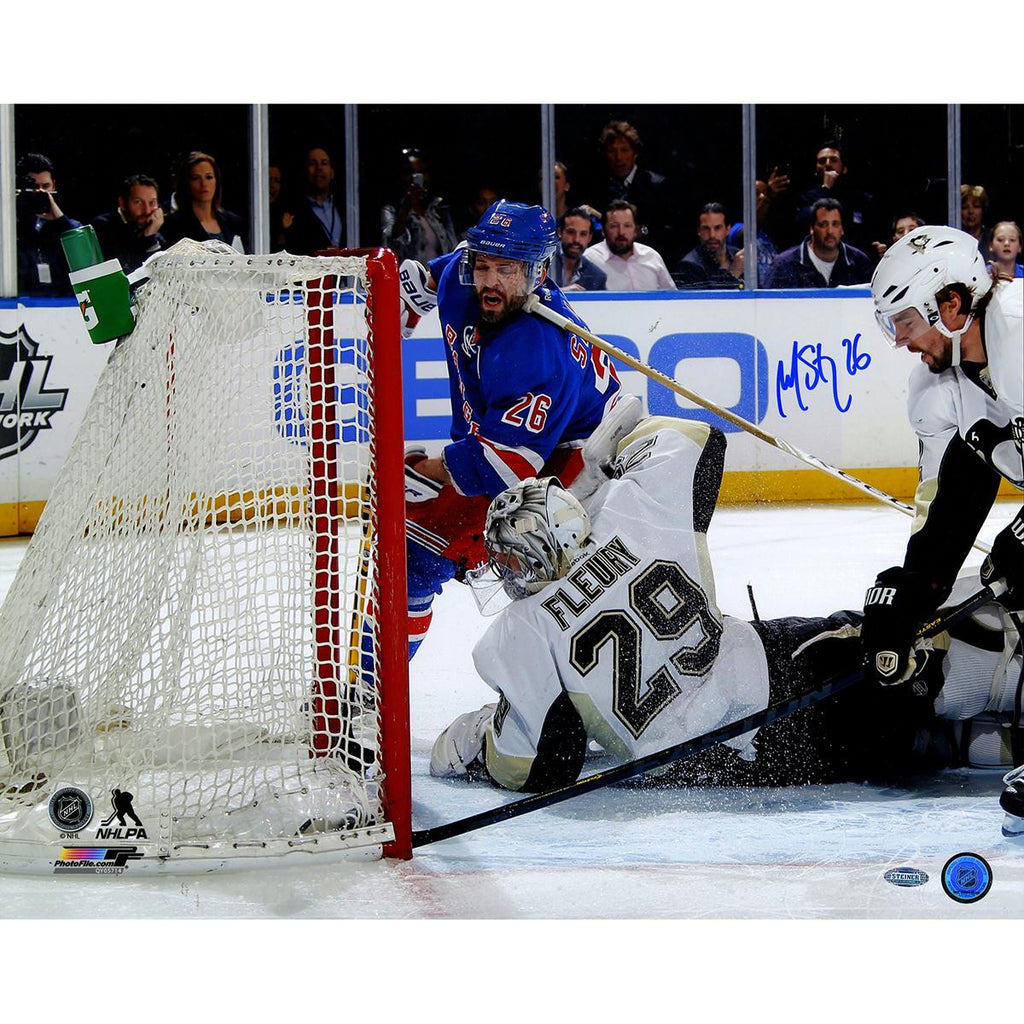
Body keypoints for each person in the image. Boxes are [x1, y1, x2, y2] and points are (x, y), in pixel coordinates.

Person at [431, 419, 1023, 796]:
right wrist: (599, 474)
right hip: (789, 677)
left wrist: (478, 738)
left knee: (916, 739)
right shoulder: (627, 523)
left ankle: (982, 741)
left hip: (760, 763)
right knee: (920, 641)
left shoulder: (516, 634)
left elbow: (541, 765)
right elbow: (696, 442)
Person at [396, 198, 627, 658]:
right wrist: (409, 302)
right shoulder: (463, 272)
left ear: (538, 272)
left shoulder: (534, 348)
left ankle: (368, 696)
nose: (491, 282)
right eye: (484, 266)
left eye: (508, 269)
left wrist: (429, 469)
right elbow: (425, 282)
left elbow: (507, 467)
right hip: (527, 443)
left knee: (413, 554)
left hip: (567, 467)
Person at [591, 121, 674, 262]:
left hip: (647, 260)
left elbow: (667, 231)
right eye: (612, 151)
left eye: (624, 150)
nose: (619, 158)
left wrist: (639, 231)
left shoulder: (656, 185)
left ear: (635, 153)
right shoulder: (597, 187)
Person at [764, 198, 873, 289]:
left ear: (842, 229)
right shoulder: (784, 265)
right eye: (823, 225)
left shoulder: (859, 262)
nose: (830, 231)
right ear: (812, 228)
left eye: (835, 224)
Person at [15, 152, 82, 297]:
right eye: (34, 187)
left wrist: (60, 220)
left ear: (54, 185)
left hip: (62, 306)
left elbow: (83, 253)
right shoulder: (11, 227)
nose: (41, 192)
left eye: (46, 186)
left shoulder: (66, 227)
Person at [793, 139, 876, 256]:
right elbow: (804, 223)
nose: (827, 164)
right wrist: (826, 189)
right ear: (816, 170)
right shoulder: (806, 198)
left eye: (833, 160)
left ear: (844, 168)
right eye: (822, 161)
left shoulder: (860, 199)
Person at [381, 147, 457, 263]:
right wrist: (405, 208)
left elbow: (452, 247)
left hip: (438, 278)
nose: (416, 178)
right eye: (410, 172)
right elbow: (392, 247)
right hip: (411, 279)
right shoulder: (392, 210)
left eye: (421, 172)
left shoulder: (436, 207)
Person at [162, 151, 246, 253]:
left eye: (209, 177)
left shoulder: (233, 222)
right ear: (186, 183)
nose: (204, 184)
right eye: (196, 178)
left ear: (216, 181)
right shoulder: (173, 225)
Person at [583, 199, 676, 291]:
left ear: (635, 230)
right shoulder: (589, 259)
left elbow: (673, 299)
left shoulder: (652, 256)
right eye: (614, 226)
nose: (621, 232)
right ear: (603, 230)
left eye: (627, 226)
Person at [90, 173, 167, 274]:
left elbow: (166, 274)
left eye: (152, 203)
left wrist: (150, 237)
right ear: (122, 203)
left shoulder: (154, 230)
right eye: (138, 202)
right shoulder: (103, 226)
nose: (147, 210)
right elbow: (128, 276)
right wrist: (148, 240)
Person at [283, 146, 342, 254]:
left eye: (324, 163)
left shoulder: (346, 207)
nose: (319, 168)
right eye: (312, 163)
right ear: (305, 172)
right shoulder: (293, 211)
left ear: (332, 172)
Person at [671, 202, 744, 289]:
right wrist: (733, 274)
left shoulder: (738, 256)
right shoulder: (689, 266)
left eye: (717, 228)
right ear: (699, 231)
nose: (712, 235)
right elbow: (707, 301)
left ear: (728, 229)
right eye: (706, 228)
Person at [550, 207, 607, 291]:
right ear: (559, 232)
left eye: (583, 234)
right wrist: (562, 292)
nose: (576, 239)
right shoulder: (543, 263)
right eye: (571, 232)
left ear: (589, 238)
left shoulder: (597, 276)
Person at [960, 184, 991, 255]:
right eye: (965, 207)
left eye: (976, 206)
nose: (971, 211)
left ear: (983, 210)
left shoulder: (992, 237)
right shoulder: (952, 237)